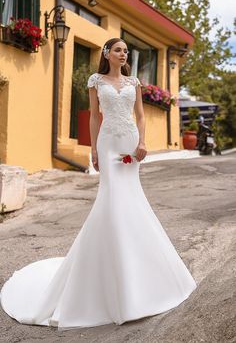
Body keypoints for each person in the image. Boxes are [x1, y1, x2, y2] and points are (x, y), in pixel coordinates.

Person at [0, 38, 197, 330]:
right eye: (118, 50)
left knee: (132, 199)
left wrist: (143, 143)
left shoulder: (134, 82)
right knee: (112, 198)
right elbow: (95, 116)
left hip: (130, 141)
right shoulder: (96, 80)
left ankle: (141, 275)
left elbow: (141, 116)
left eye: (126, 52)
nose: (123, 54)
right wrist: (93, 148)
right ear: (106, 54)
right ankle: (111, 277)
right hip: (107, 143)